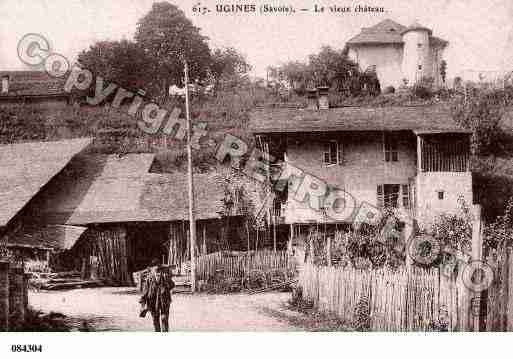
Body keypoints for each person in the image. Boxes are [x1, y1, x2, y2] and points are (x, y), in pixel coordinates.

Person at [139, 259, 175, 332]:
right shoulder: (149, 279)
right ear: (151, 268)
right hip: (153, 301)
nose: (156, 269)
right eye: (154, 267)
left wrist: (167, 281)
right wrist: (143, 304)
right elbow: (145, 292)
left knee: (164, 319)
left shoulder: (165, 276)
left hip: (164, 301)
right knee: (155, 321)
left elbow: (172, 285)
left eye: (158, 266)